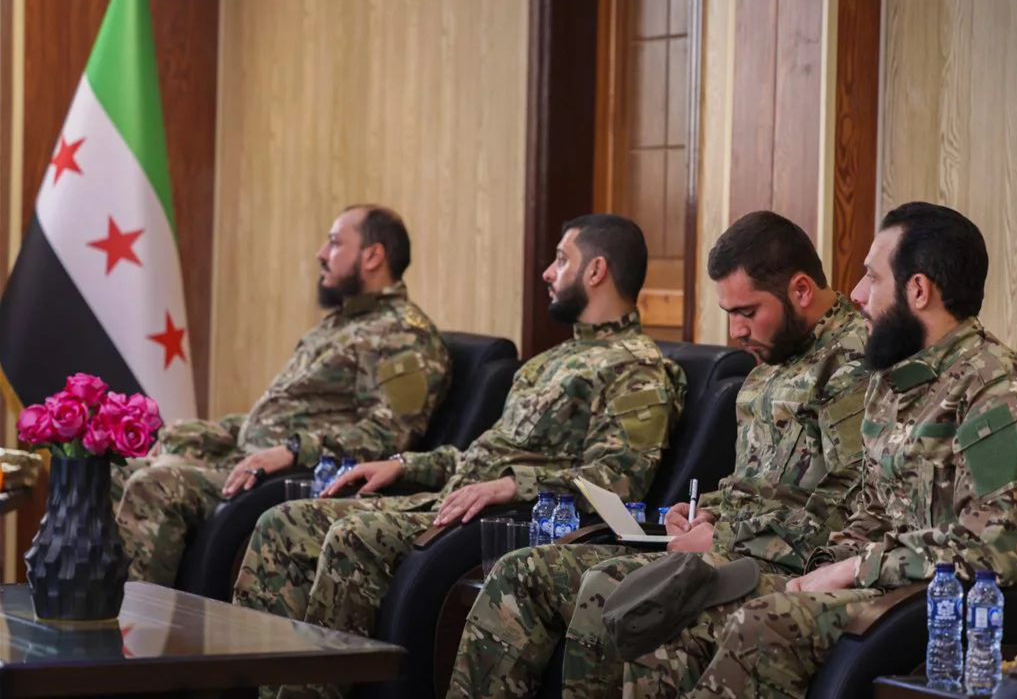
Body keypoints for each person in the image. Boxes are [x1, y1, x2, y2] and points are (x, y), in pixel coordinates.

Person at [617, 201, 1017, 699]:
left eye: (872, 277)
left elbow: (994, 549)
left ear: (918, 290)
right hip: (889, 588)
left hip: (975, 609)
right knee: (678, 608)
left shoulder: (999, 392)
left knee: (767, 621)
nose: (858, 294)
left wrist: (855, 568)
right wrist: (818, 568)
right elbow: (872, 514)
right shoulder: (896, 382)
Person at [232, 213, 687, 699]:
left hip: (508, 524)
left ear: (595, 271)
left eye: (561, 260)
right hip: (451, 502)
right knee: (286, 521)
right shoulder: (550, 361)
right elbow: (481, 456)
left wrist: (512, 486)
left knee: (353, 535)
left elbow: (619, 480)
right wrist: (405, 464)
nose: (547, 273)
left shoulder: (638, 369)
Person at [446, 210, 872, 699]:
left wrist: (723, 533)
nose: (736, 330)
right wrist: (704, 511)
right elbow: (757, 484)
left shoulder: (852, 364)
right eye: (729, 313)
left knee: (614, 587)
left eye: (747, 312)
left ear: (800, 290)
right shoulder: (771, 357)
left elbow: (847, 509)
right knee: (521, 571)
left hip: (781, 566)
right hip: (727, 545)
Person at [111, 204, 451, 587]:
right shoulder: (340, 324)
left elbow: (391, 435)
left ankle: (134, 620)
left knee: (155, 483)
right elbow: (282, 416)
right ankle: (90, 613)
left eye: (335, 243)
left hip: (300, 479)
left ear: (373, 256)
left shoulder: (404, 335)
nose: (321, 253)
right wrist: (191, 433)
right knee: (117, 469)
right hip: (248, 461)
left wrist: (296, 450)